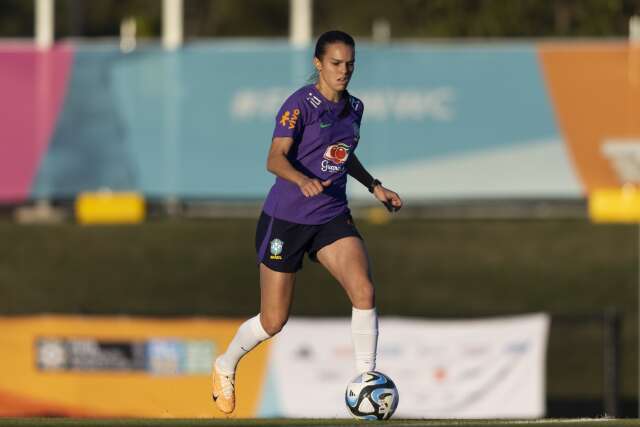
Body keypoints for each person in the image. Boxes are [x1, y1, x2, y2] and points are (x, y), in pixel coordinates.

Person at [211, 30, 402, 414]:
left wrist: (374, 186)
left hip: (331, 215)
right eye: (335, 63)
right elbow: (274, 158)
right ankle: (225, 363)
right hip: (286, 220)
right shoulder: (299, 105)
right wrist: (302, 180)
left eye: (349, 64)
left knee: (363, 290)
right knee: (273, 320)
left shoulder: (355, 108)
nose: (343, 71)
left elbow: (342, 155)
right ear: (318, 63)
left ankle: (367, 379)